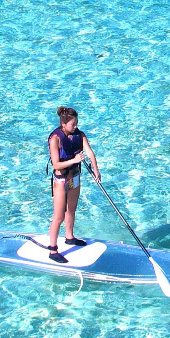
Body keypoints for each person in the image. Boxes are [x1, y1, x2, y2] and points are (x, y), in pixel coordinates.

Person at [43, 105, 100, 263]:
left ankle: (70, 237)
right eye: (72, 124)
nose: (75, 127)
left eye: (76, 123)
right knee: (59, 216)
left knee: (71, 210)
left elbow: (89, 152)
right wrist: (74, 160)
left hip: (74, 177)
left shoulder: (79, 134)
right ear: (63, 124)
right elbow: (56, 164)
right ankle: (53, 250)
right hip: (61, 180)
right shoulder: (55, 139)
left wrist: (96, 170)